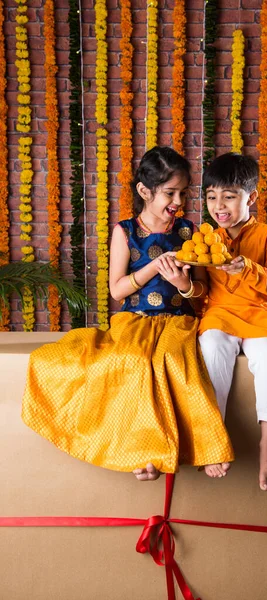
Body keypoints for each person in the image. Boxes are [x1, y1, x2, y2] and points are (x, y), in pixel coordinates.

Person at [22, 147, 234, 481]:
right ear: (144, 191)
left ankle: (205, 449)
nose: (178, 202)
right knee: (131, 362)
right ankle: (141, 454)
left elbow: (202, 291)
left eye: (183, 193)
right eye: (169, 193)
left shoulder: (190, 231)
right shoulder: (125, 231)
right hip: (134, 320)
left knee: (176, 362)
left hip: (179, 320)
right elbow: (117, 290)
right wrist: (154, 267)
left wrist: (183, 284)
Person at [196, 153, 267, 492]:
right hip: (220, 314)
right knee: (212, 346)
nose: (219, 205)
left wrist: (248, 268)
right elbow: (200, 292)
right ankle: (213, 437)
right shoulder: (206, 240)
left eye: (229, 196)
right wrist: (184, 284)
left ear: (252, 198)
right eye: (211, 197)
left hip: (263, 316)